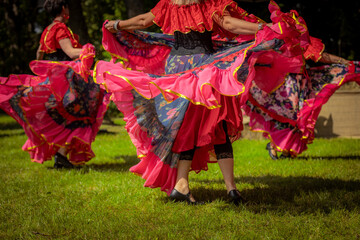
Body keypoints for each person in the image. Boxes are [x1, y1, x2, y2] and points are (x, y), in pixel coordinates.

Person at [94, 0, 320, 204]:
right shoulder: (207, 2)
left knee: (184, 126)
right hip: (204, 69)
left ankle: (186, 186)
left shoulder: (167, 4)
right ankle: (225, 189)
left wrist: (116, 25)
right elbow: (230, 25)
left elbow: (143, 20)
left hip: (177, 67)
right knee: (215, 124)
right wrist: (265, 28)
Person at [0, 0, 109, 168]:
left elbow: (39, 54)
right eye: (67, 6)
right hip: (66, 79)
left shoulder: (47, 30)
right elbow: (70, 52)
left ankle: (61, 156)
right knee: (79, 111)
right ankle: (61, 156)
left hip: (57, 78)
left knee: (65, 116)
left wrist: (44, 72)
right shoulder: (60, 28)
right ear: (63, 8)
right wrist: (88, 49)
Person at [242, 36, 360, 160]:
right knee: (288, 117)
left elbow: (320, 56)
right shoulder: (274, 40)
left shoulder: (299, 40)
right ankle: (274, 145)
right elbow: (259, 55)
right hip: (283, 87)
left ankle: (286, 152)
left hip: (301, 85)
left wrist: (342, 61)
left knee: (299, 117)